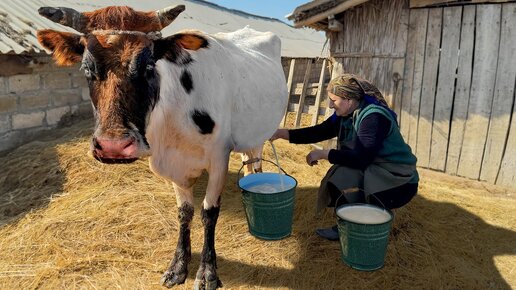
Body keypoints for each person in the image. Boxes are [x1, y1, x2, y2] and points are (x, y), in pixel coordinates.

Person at [270, 74, 419, 241]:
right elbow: (318, 132)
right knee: (341, 175)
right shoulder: (345, 115)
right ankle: (346, 226)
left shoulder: (373, 117)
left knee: (350, 176)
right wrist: (281, 133)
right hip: (374, 167)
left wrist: (324, 153)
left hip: (397, 178)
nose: (330, 105)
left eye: (334, 100)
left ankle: (370, 229)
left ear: (348, 99)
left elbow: (361, 158)